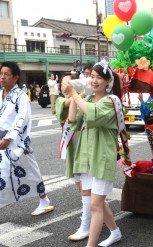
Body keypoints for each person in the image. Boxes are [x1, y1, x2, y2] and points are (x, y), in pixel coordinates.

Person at [62, 59, 123, 247]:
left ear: (108, 82)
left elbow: (93, 115)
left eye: (99, 78)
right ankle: (115, 232)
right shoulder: (87, 98)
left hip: (102, 155)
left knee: (95, 204)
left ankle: (91, 245)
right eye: (92, 77)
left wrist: (75, 95)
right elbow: (73, 119)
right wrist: (74, 96)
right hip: (87, 155)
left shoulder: (112, 101)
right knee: (97, 201)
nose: (94, 81)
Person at [0, 61, 54, 215]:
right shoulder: (0, 94)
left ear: (16, 77)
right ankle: (43, 199)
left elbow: (22, 118)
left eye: (6, 74)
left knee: (31, 170)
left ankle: (44, 200)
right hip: (2, 140)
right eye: (1, 73)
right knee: (4, 173)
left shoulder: (21, 96)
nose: (2, 77)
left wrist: (9, 138)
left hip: (17, 141)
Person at [56, 72, 91, 241]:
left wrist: (80, 94)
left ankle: (87, 224)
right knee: (82, 189)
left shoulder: (85, 99)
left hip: (86, 149)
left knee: (87, 190)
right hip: (73, 149)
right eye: (63, 84)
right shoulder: (60, 101)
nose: (66, 87)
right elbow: (69, 111)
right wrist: (77, 94)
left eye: (70, 83)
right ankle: (99, 213)